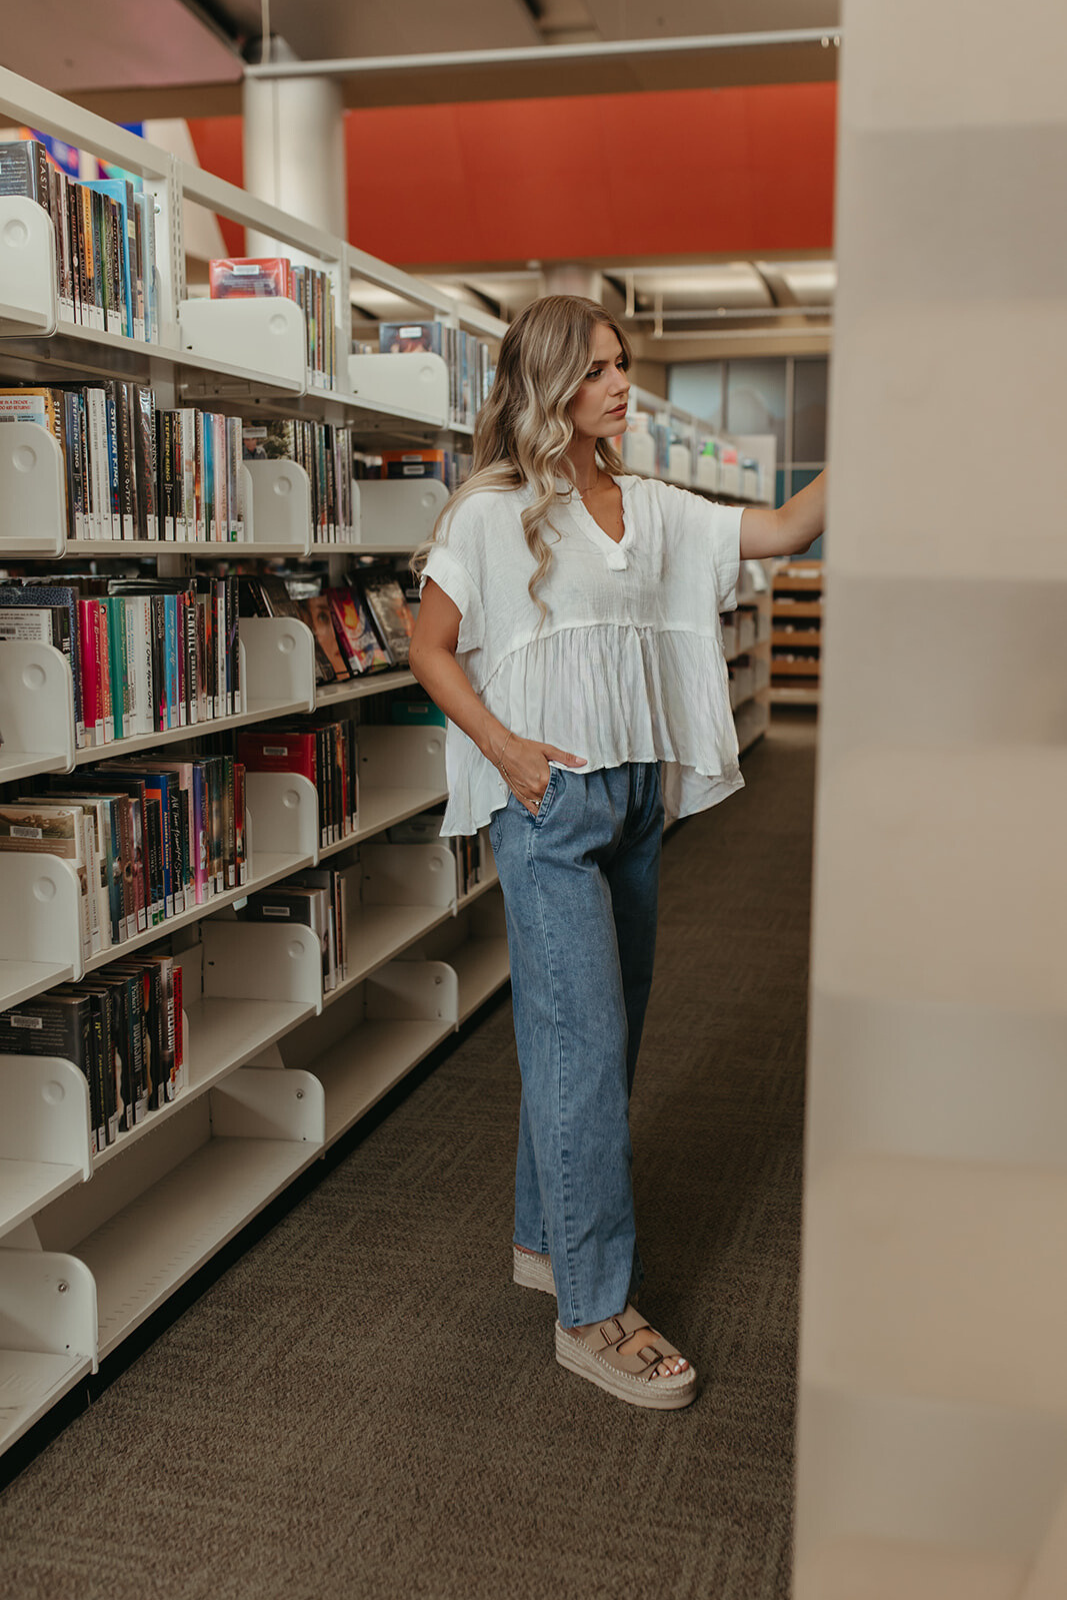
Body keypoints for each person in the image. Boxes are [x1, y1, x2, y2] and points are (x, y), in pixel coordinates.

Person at [408, 295, 825, 1410]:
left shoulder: (646, 503)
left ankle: (546, 1238)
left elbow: (780, 533)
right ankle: (592, 1311)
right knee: (582, 1046)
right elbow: (430, 645)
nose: (618, 382)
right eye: (596, 368)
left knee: (600, 1037)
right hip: (547, 806)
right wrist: (500, 747)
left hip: (635, 802)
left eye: (622, 362)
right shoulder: (493, 511)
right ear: (548, 383)